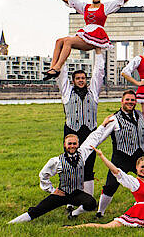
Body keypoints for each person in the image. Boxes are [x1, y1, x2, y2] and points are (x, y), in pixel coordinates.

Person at [41, 0, 144, 80]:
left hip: (95, 36)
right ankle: (53, 67)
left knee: (68, 41)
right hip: (86, 33)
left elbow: (124, 0)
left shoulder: (105, 7)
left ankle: (57, 68)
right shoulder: (84, 7)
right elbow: (66, 0)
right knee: (59, 41)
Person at [83, 90, 144, 218]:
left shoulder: (140, 115)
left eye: (132, 100)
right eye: (127, 100)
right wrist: (87, 148)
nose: (130, 102)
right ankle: (100, 212)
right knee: (110, 186)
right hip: (120, 156)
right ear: (122, 101)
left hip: (138, 157)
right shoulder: (114, 119)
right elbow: (100, 136)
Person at [8, 134, 99, 223]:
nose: (72, 146)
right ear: (64, 145)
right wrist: (51, 190)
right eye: (69, 143)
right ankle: (11, 223)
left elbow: (92, 139)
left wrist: (103, 125)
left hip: (77, 193)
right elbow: (43, 175)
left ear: (78, 144)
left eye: (74, 143)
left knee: (91, 203)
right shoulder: (57, 160)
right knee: (38, 210)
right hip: (61, 193)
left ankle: (74, 214)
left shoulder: (82, 154)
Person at [58, 49, 105, 213]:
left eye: (83, 78)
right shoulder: (66, 92)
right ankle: (69, 202)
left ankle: (88, 202)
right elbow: (61, 72)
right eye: (77, 78)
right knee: (70, 167)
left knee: (89, 166)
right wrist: (64, 50)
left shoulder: (93, 92)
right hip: (72, 132)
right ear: (73, 80)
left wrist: (99, 53)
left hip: (90, 133)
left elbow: (99, 73)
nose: (81, 80)